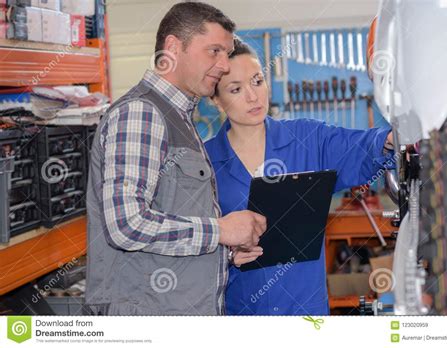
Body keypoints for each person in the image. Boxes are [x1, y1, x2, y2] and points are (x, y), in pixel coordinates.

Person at [85, 3, 266, 316]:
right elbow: (127, 225)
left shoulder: (177, 116)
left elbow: (168, 223)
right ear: (172, 48)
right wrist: (221, 231)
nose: (224, 65)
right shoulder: (141, 113)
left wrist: (223, 254)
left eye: (227, 52)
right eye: (214, 51)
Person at [204, 38, 395, 315]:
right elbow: (189, 240)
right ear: (216, 100)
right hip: (243, 313)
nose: (252, 96)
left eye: (257, 81)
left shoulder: (307, 138)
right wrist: (228, 256)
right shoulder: (204, 163)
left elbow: (360, 147)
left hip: (305, 311)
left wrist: (390, 139)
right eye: (235, 89)